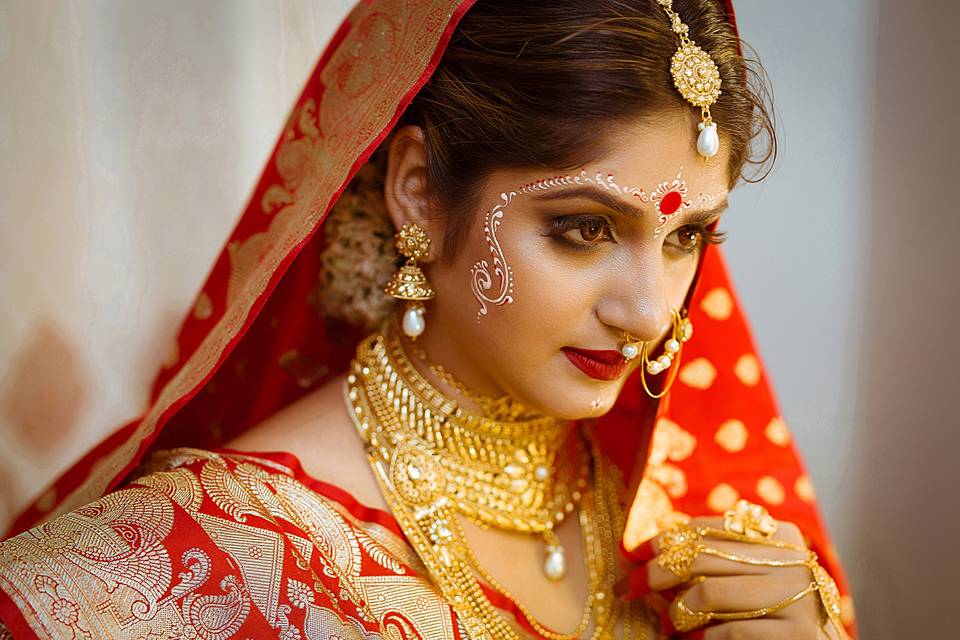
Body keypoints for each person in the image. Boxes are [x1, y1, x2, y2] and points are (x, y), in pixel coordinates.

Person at [0, 0, 856, 638]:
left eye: (687, 237)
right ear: (418, 193)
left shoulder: (698, 540)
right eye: (583, 229)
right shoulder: (216, 554)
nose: (648, 310)